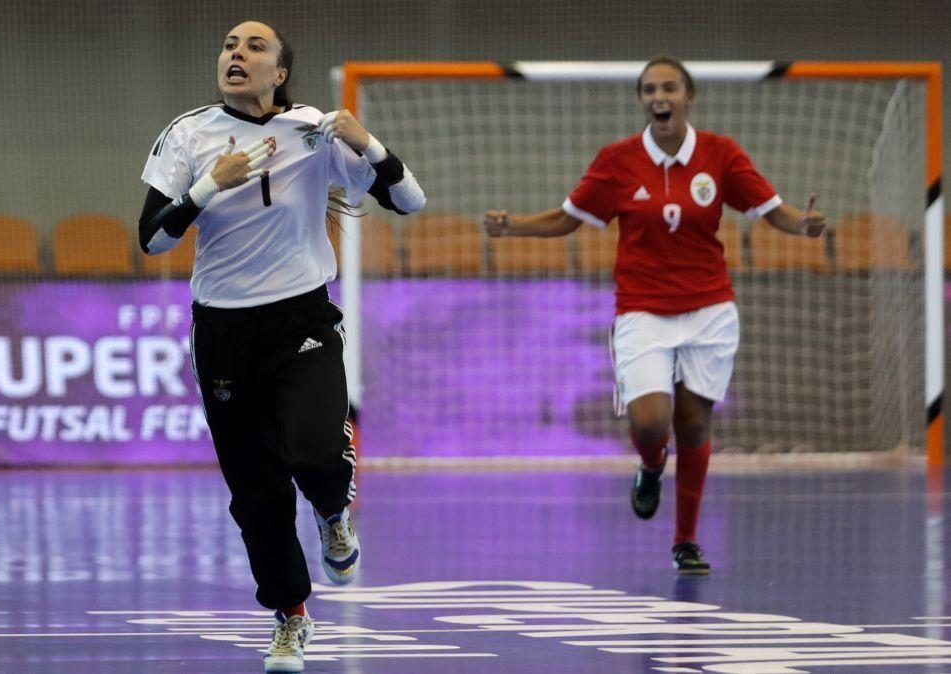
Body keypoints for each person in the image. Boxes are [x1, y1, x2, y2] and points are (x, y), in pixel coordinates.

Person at [138, 20, 425, 673]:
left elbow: (409, 200)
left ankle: (332, 511)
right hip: (223, 330)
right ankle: (291, 618)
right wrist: (209, 184)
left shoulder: (314, 129)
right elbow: (152, 239)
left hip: (301, 316)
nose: (236, 53)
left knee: (313, 449)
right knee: (255, 492)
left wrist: (369, 143)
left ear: (279, 72)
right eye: (229, 45)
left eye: (254, 47)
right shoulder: (188, 134)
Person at [483, 56, 824, 575]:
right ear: (642, 101)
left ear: (689, 97)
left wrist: (803, 226)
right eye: (648, 90)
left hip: (710, 309)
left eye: (669, 87)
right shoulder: (618, 161)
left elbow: (771, 210)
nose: (658, 97)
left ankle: (685, 540)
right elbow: (567, 218)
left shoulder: (721, 154)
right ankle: (649, 465)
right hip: (642, 309)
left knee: (693, 422)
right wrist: (513, 227)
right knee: (650, 422)